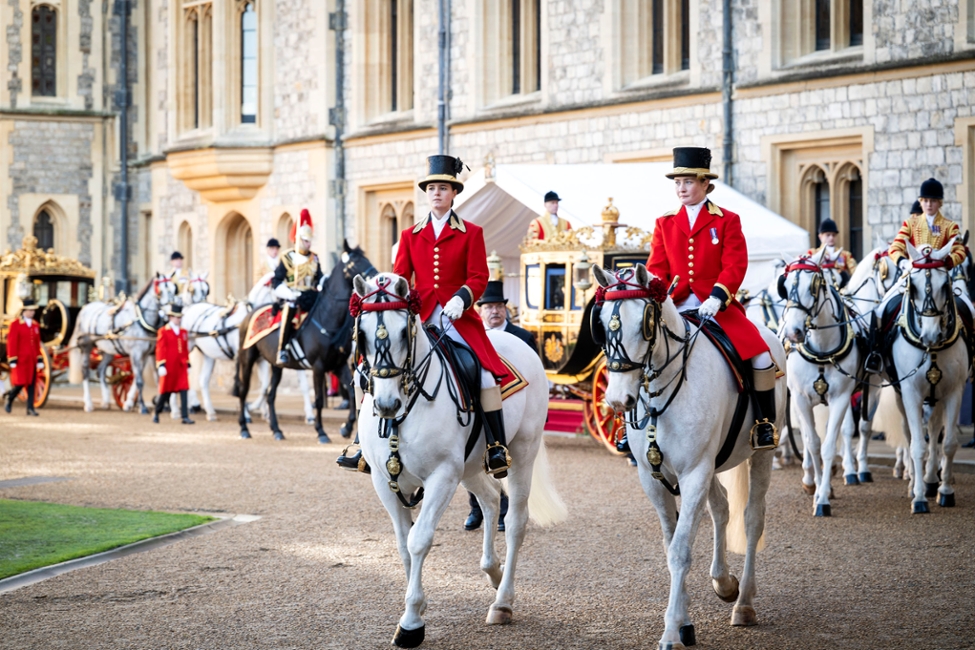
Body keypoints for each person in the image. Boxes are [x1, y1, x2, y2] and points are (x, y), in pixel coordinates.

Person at [646, 147, 778, 450]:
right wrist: (661, 298)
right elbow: (657, 268)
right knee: (640, 350)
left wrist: (718, 297)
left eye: (688, 182)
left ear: (705, 183)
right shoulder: (664, 222)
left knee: (760, 355)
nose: (681, 189)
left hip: (717, 306)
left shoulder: (727, 219)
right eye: (677, 183)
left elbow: (735, 264)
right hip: (675, 305)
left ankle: (763, 422)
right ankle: (632, 423)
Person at [394, 154, 513, 478]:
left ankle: (496, 446)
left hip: (458, 319)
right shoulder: (409, 235)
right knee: (381, 365)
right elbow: (401, 278)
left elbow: (479, 276)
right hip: (421, 318)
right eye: (432, 188)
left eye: (443, 188)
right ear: (426, 193)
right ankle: (365, 443)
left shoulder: (471, 232)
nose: (437, 193)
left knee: (484, 375)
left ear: (454, 193)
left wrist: (463, 297)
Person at [463, 281, 537, 530]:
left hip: (511, 405)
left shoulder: (523, 337)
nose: (494, 311)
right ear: (480, 310)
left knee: (506, 456)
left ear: (506, 309)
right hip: (476, 405)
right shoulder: (468, 336)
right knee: (470, 454)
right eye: (489, 307)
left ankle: (506, 511)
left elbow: (536, 380)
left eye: (498, 306)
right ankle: (476, 509)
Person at [272, 209, 322, 363]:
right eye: (306, 240)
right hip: (292, 295)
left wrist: (322, 284)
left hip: (310, 295)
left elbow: (319, 278)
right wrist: (289, 294)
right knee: (290, 307)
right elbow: (277, 281)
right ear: (299, 240)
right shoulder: (287, 257)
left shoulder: (314, 258)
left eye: (310, 241)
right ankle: (282, 349)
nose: (309, 243)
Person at [889, 178, 966, 270]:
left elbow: (960, 251)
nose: (929, 204)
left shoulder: (950, 226)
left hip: (940, 272)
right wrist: (903, 262)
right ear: (920, 202)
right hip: (915, 272)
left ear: (940, 203)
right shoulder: (909, 223)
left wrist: (949, 261)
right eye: (925, 200)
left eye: (933, 201)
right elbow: (894, 248)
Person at [153, 303, 194, 425]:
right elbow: (160, 348)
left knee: (184, 390)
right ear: (171, 317)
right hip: (169, 366)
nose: (178, 319)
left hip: (180, 366)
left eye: (180, 317)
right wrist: (161, 364)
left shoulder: (183, 332)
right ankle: (156, 412)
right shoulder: (163, 331)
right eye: (176, 317)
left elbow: (185, 349)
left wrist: (188, 363)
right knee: (165, 393)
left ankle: (185, 416)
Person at [3, 299, 42, 416]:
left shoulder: (35, 325)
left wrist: (39, 358)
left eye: (33, 310)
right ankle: (10, 397)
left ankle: (30, 408)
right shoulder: (15, 324)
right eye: (30, 310)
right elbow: (12, 342)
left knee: (31, 384)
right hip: (20, 360)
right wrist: (12, 358)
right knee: (20, 383)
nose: (32, 312)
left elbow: (37, 344)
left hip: (32, 360)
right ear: (24, 311)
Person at [807, 219, 857, 287]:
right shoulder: (812, 253)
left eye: (833, 235)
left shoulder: (845, 255)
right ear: (820, 236)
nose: (831, 238)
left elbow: (855, 272)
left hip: (841, 288)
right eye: (828, 235)